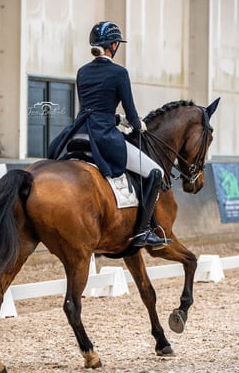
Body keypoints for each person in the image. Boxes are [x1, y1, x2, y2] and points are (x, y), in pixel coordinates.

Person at [48, 21, 170, 248]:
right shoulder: (119, 72)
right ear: (113, 45)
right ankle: (143, 231)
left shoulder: (82, 72)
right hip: (103, 137)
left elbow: (91, 108)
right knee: (156, 171)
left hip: (78, 133)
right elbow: (131, 112)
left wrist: (116, 119)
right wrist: (136, 124)